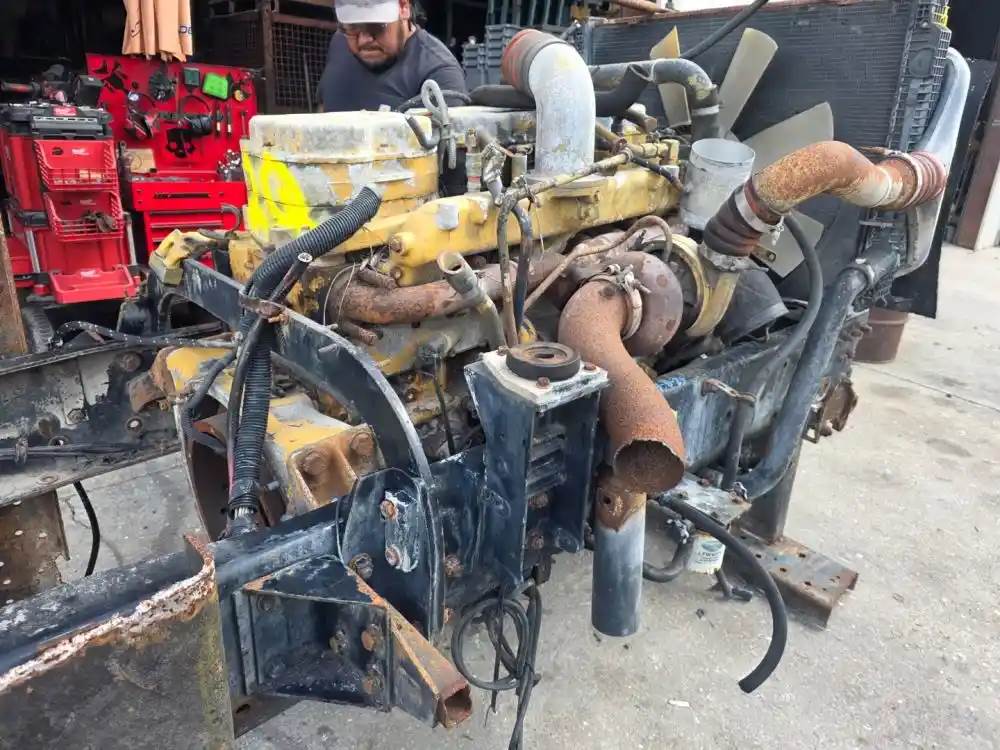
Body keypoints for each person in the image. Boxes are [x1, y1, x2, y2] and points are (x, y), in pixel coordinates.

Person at [320, 0, 467, 112]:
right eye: (352, 27)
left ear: (403, 7)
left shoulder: (439, 74)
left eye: (376, 26)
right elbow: (323, 107)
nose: (363, 40)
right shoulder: (340, 42)